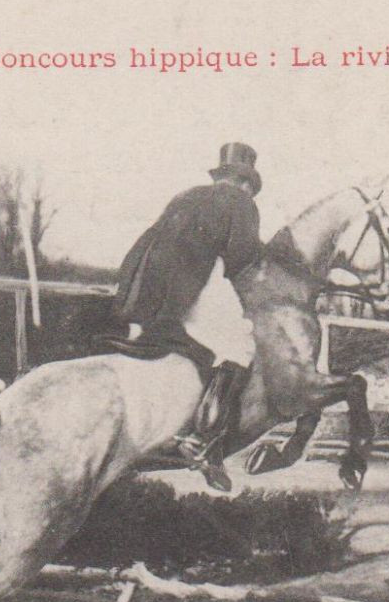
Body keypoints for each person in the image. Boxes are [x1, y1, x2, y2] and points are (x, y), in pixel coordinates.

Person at [99, 142, 265, 492]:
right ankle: (202, 443)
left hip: (143, 284)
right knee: (240, 345)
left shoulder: (187, 195)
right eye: (249, 185)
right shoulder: (241, 203)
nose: (249, 190)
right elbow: (242, 259)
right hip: (194, 277)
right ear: (245, 181)